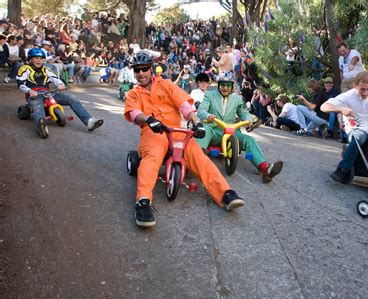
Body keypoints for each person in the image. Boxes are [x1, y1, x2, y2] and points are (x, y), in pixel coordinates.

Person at [124, 51, 246, 227]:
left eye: (144, 69)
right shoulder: (133, 93)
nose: (141, 73)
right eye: (137, 70)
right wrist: (149, 120)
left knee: (198, 156)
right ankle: (143, 202)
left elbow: (183, 104)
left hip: (176, 131)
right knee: (151, 158)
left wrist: (197, 122)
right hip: (153, 131)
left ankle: (225, 193)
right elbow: (134, 113)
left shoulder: (166, 85)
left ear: (151, 69)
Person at [195, 74, 283, 183]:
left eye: (228, 85)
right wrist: (207, 115)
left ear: (232, 87)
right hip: (214, 130)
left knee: (250, 140)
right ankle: (197, 156)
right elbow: (201, 110)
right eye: (222, 85)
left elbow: (243, 112)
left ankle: (265, 169)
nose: (225, 88)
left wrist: (248, 119)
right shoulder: (210, 95)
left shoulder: (237, 99)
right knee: (204, 130)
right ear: (218, 85)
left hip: (231, 131)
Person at [320, 71, 368, 184]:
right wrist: (341, 109)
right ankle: (343, 169)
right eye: (362, 89)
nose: (365, 93)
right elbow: (323, 107)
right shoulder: (348, 96)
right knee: (359, 136)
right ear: (355, 85)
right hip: (356, 128)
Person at [17, 48, 103, 138]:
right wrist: (29, 91)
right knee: (38, 106)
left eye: (41, 58)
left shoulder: (46, 69)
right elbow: (20, 84)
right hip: (35, 94)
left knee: (72, 98)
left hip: (48, 93)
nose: (39, 60)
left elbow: (54, 78)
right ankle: (42, 126)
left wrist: (60, 84)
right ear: (30, 59)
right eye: (36, 58)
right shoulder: (24, 69)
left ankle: (89, 121)